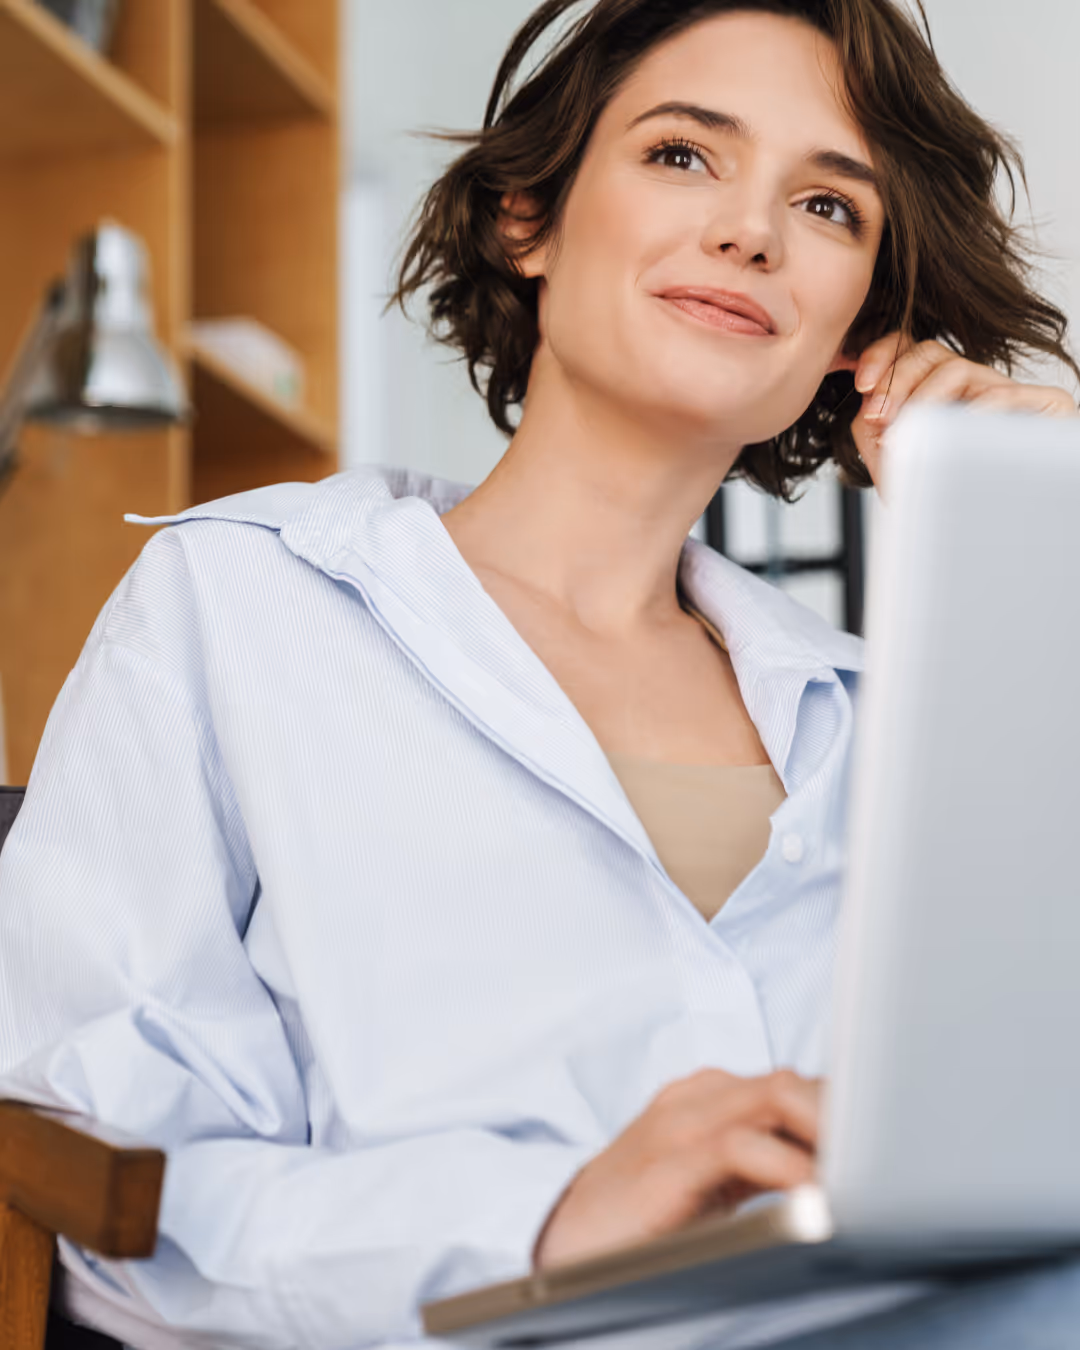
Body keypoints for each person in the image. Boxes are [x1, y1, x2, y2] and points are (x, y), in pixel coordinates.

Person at [1, 0, 1077, 1346]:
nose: (753, 230)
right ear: (530, 219)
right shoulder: (238, 607)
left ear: (862, 321)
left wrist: (1056, 523)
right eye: (685, 154)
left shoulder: (901, 715)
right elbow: (111, 1203)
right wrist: (550, 1212)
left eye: (831, 209)